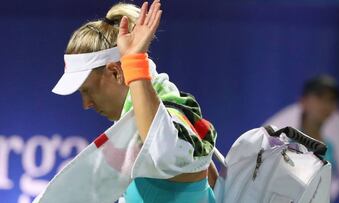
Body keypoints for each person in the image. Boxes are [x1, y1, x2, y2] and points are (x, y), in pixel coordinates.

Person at [50, 1, 217, 202]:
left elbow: (164, 154)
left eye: (87, 91)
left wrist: (134, 63)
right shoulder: (150, 123)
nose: (86, 104)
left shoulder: (173, 117)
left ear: (115, 72)